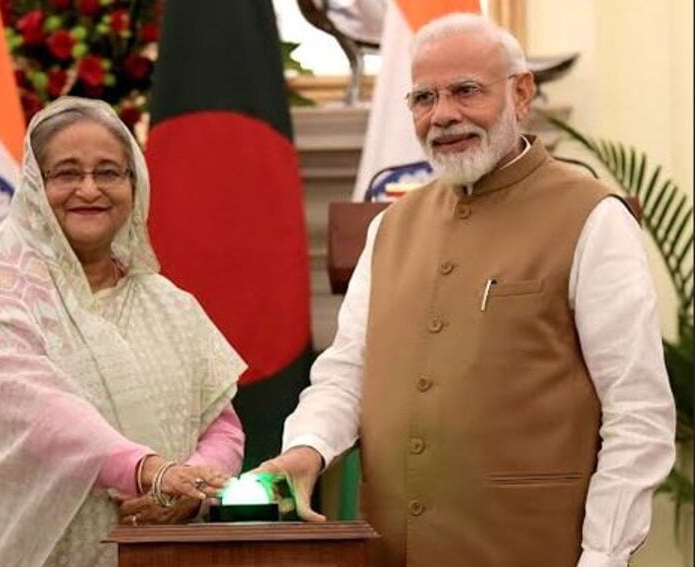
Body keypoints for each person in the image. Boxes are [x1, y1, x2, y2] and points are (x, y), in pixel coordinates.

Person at [258, 13, 676, 567]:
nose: (443, 115)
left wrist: (602, 557)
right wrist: (306, 449)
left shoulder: (593, 217)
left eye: (466, 91)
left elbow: (638, 412)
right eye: (423, 98)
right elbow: (347, 374)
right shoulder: (390, 227)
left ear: (521, 94)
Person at [0, 97, 247, 567]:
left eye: (109, 172)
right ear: (36, 186)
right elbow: (43, 416)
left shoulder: (169, 303)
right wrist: (149, 471)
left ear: (134, 185)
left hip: (161, 554)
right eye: (67, 173)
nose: (89, 189)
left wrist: (189, 489)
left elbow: (222, 427)